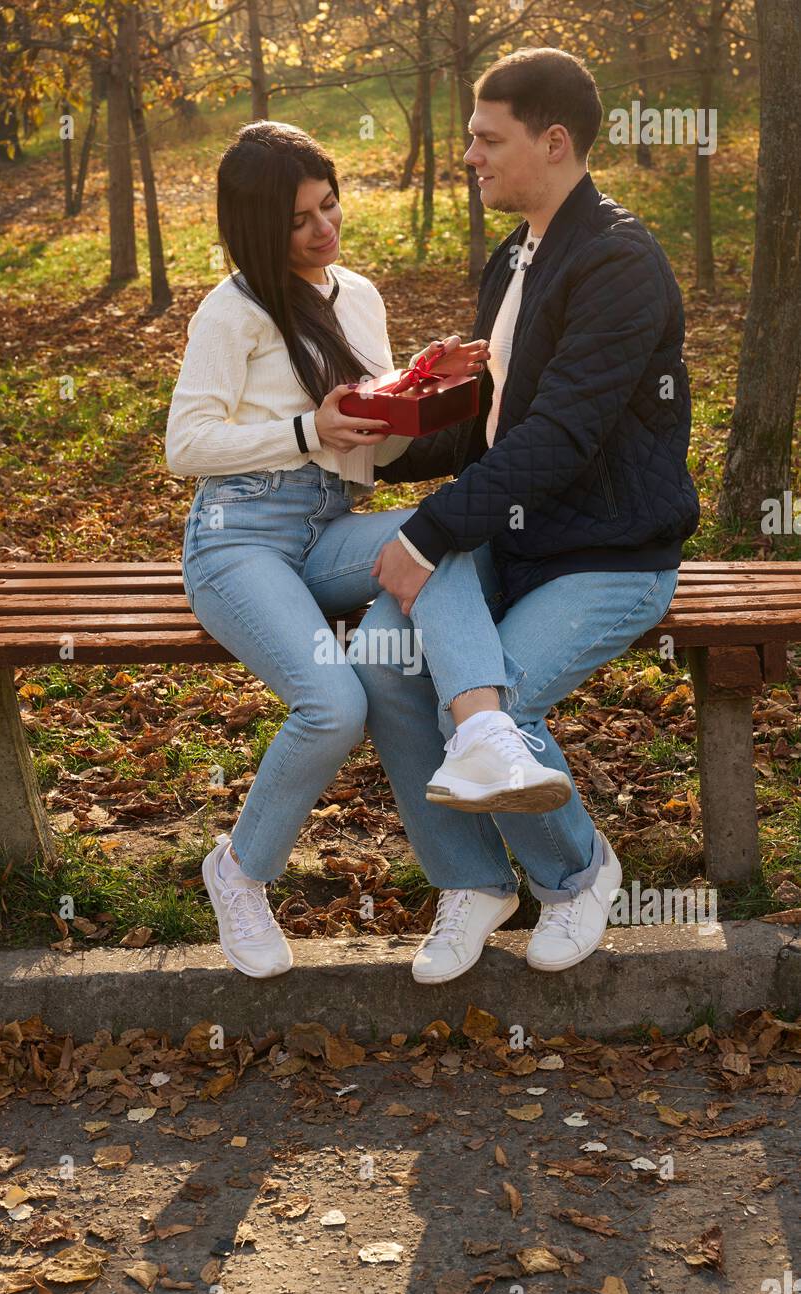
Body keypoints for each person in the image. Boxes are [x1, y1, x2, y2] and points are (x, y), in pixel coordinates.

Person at [165, 121, 570, 980]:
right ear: (255, 229)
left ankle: (482, 729)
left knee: (440, 527)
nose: (326, 227)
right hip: (238, 536)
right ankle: (238, 872)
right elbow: (186, 445)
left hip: (327, 521)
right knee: (334, 705)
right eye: (301, 218)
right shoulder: (231, 310)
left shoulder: (359, 296)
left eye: (330, 203)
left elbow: (373, 447)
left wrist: (425, 386)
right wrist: (307, 427)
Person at [356, 47, 701, 984]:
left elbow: (561, 437)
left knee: (498, 700)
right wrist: (380, 439)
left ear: (553, 142)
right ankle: (472, 883)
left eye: (486, 137)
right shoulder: (515, 254)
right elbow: (496, 428)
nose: (469, 154)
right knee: (384, 667)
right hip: (513, 536)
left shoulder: (619, 261)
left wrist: (426, 533)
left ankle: (577, 873)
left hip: (610, 551)